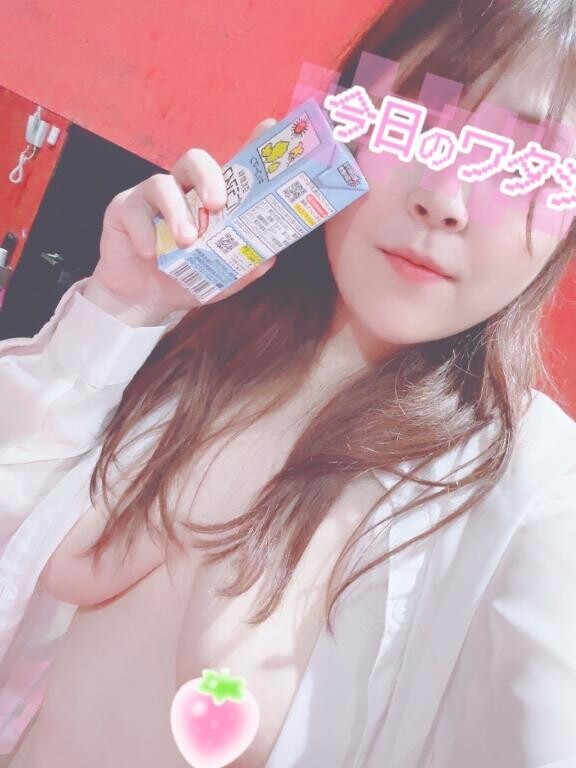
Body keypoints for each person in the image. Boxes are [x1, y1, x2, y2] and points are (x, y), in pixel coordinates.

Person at [2, 0, 576, 765]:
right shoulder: (205, 340)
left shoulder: (537, 497)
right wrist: (122, 308)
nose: (444, 198)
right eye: (416, 125)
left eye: (521, 165)